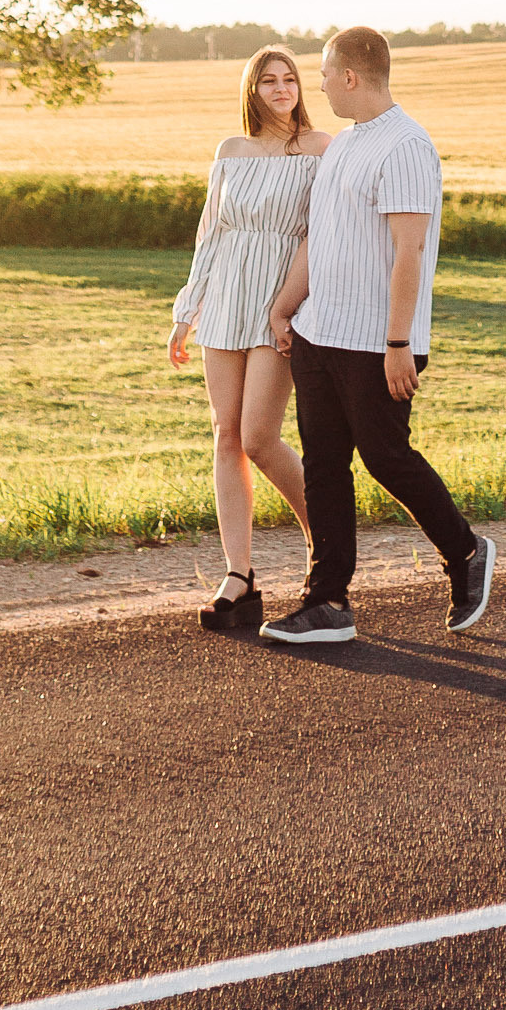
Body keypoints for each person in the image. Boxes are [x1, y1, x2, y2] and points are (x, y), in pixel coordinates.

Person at [259, 26, 495, 647]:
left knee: (387, 458)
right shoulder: (343, 146)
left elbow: (409, 251)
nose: (319, 85)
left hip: (376, 344)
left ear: (351, 76)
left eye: (324, 74)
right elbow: (321, 237)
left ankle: (466, 553)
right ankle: (328, 602)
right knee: (324, 466)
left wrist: (398, 344)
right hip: (319, 334)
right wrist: (286, 309)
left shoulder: (407, 147)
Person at [168, 44, 328, 638]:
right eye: (270, 80)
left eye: (290, 79)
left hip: (280, 302)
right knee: (226, 434)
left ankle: (327, 546)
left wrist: (290, 304)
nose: (282, 88)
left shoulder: (319, 148)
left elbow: (321, 234)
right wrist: (187, 310)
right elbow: (211, 234)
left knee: (260, 437)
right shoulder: (230, 151)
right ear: (252, 90)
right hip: (226, 297)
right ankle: (239, 578)